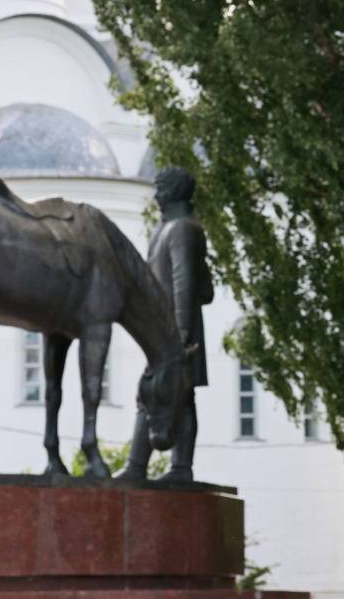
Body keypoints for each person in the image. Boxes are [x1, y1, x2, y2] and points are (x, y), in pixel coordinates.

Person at [124, 165, 214, 483]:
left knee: (176, 393)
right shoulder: (167, 229)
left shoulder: (182, 229)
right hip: (164, 330)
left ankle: (172, 468)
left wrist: (181, 336)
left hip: (177, 332)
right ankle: (153, 467)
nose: (156, 195)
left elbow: (185, 284)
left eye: (161, 188)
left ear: (174, 192)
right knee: (162, 393)